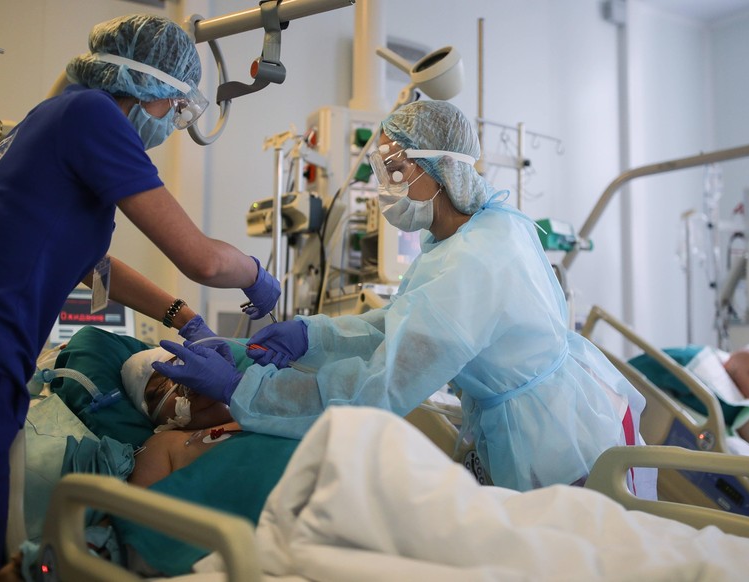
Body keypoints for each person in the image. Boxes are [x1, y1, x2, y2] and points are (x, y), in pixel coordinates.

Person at [156, 100, 655, 497]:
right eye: (381, 168)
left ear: (438, 171)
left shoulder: (472, 263)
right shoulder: (477, 231)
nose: (384, 185)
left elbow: (377, 390)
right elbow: (398, 324)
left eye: (395, 170)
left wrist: (243, 390)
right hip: (561, 413)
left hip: (549, 446)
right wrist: (312, 333)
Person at [0, 14, 281, 581]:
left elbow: (89, 263)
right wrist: (256, 272)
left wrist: (183, 317)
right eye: (177, 109)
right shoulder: (92, 115)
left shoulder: (55, 117)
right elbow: (199, 256)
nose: (175, 124)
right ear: (149, 88)